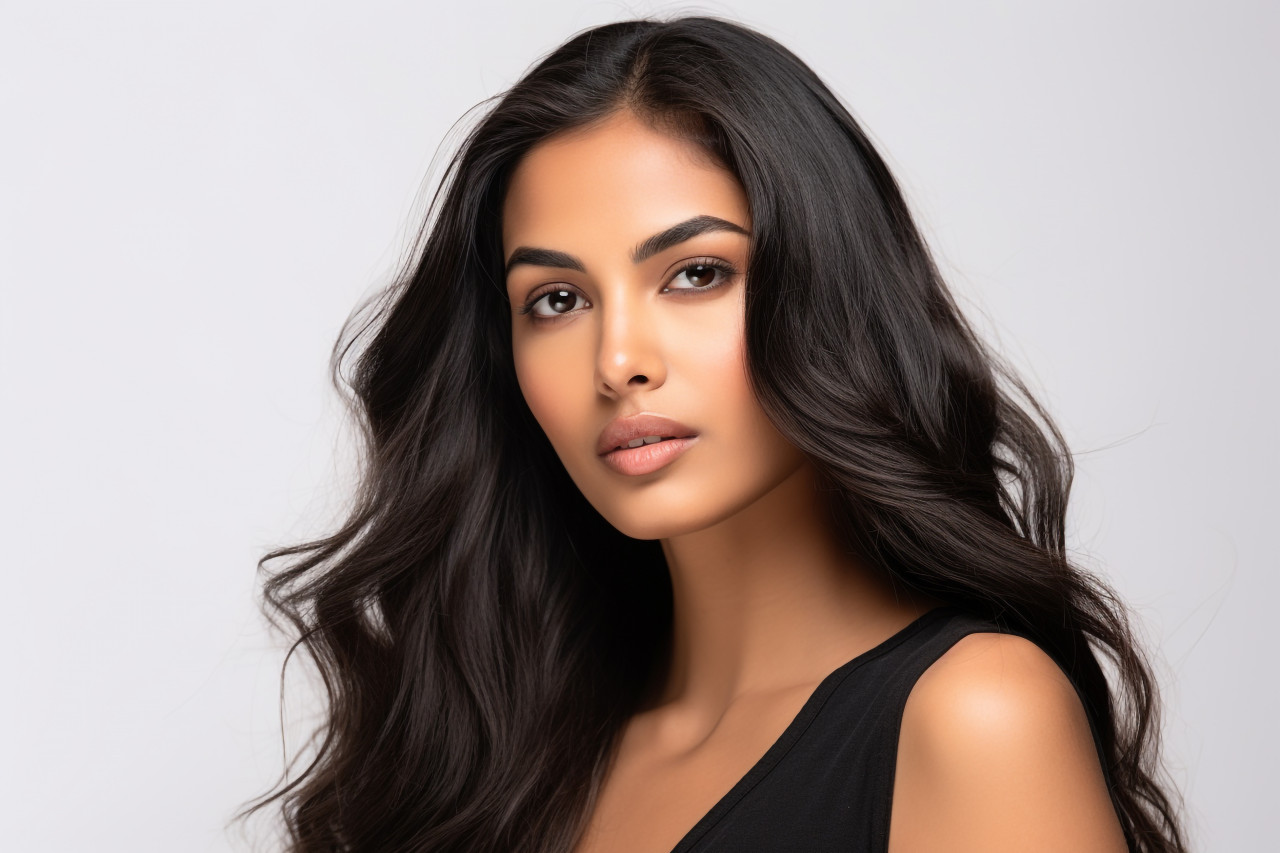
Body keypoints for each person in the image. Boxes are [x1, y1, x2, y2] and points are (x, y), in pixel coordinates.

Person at [237, 15, 1187, 853]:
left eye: (695, 274)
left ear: (831, 293)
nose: (618, 359)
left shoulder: (971, 719)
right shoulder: (504, 745)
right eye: (557, 299)